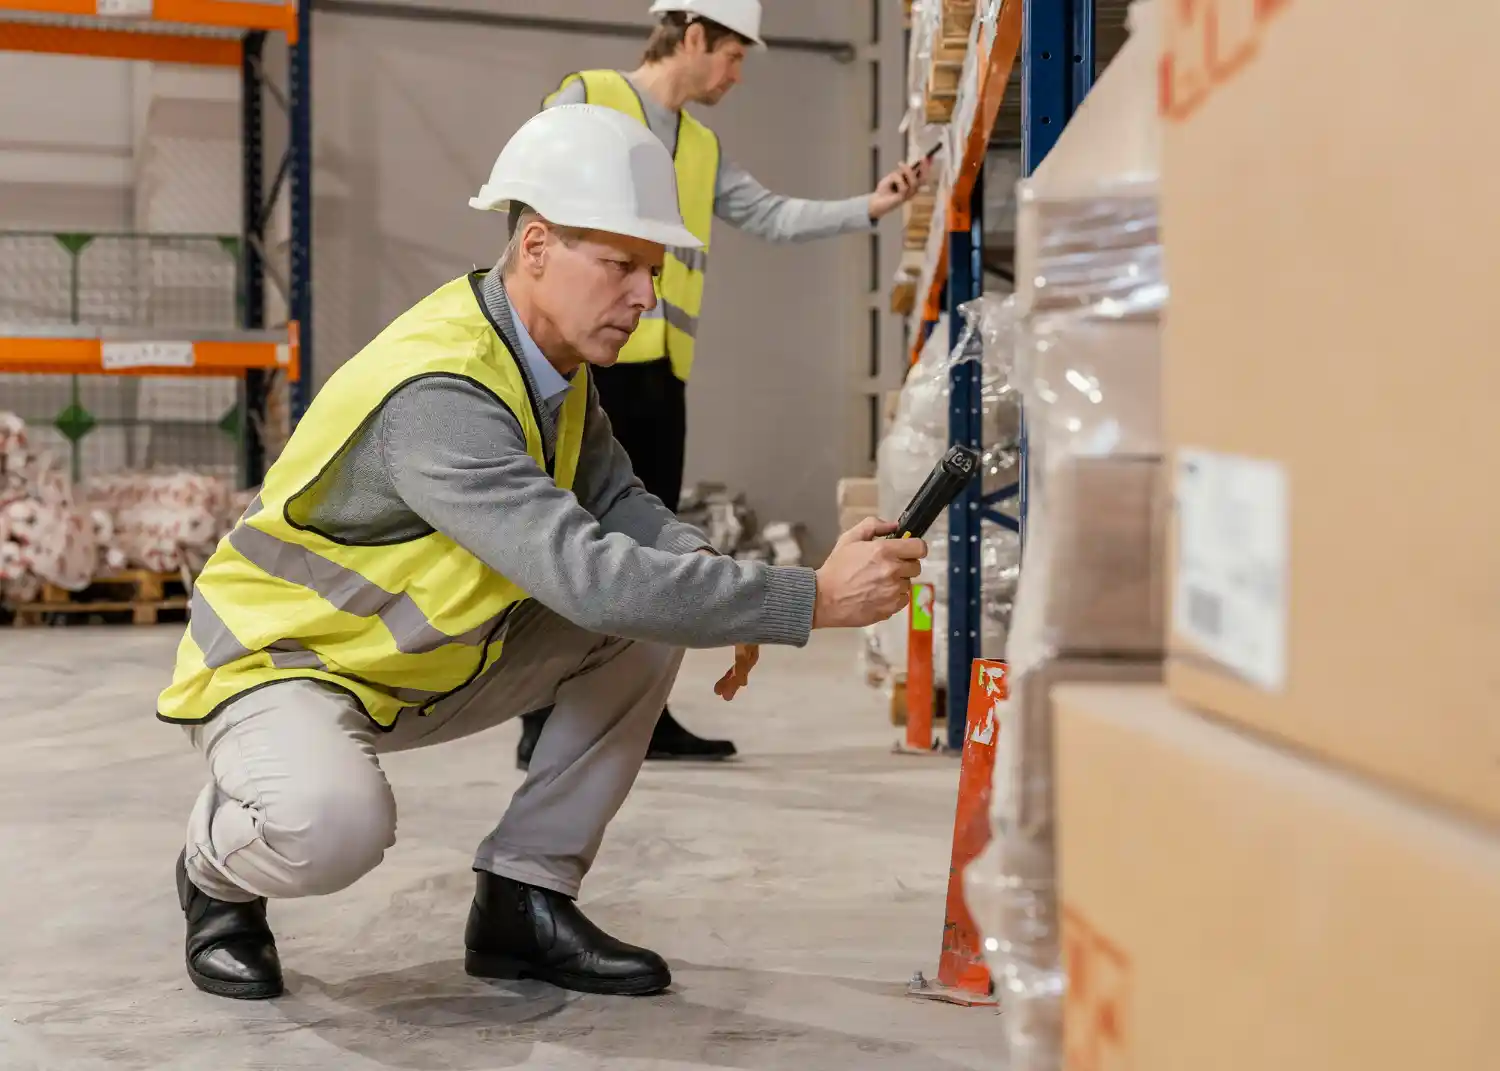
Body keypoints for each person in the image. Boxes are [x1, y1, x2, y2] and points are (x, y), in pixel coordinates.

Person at [159, 103, 927, 1003]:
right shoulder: (444, 390)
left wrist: (739, 594)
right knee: (331, 826)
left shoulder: (552, 370)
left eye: (656, 270)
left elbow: (622, 506)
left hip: (414, 666)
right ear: (534, 247)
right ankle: (215, 876)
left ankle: (524, 898)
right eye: (622, 266)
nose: (647, 297)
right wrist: (808, 601)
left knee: (654, 620)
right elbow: (587, 576)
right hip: (284, 667)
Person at [520, 0, 928, 768]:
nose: (738, 74)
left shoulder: (700, 146)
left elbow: (771, 215)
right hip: (583, 359)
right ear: (694, 33)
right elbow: (529, 214)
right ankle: (542, 714)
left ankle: (637, 708)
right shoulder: (587, 98)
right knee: (567, 533)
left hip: (659, 370)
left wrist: (871, 207)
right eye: (734, 56)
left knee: (648, 532)